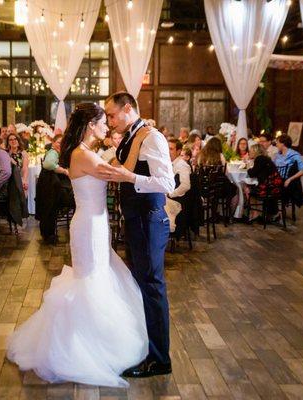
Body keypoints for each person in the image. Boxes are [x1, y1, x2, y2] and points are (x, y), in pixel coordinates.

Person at [7, 103, 148, 388]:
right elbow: (120, 172)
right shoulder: (81, 155)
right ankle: (84, 346)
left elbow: (111, 168)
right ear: (90, 125)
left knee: (97, 276)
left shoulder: (85, 153)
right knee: (90, 280)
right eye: (102, 121)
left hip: (94, 224)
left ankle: (92, 337)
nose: (107, 126)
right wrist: (139, 139)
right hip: (88, 227)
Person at [99, 91, 174, 378]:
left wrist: (129, 178)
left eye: (112, 115)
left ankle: (159, 359)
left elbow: (166, 182)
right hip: (136, 221)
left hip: (150, 221)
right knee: (141, 285)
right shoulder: (131, 135)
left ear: (128, 108)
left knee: (152, 287)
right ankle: (146, 348)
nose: (109, 121)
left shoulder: (151, 137)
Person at [35, 134, 71, 244]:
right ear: (53, 143)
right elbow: (48, 164)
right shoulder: (52, 153)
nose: (60, 145)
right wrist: (65, 171)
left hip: (50, 186)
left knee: (50, 210)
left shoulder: (57, 153)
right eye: (58, 142)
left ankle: (49, 235)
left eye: (62, 143)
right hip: (48, 186)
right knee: (49, 209)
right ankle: (48, 235)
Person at [246, 143, 283, 221]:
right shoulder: (265, 158)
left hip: (269, 187)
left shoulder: (259, 159)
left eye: (251, 151)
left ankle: (255, 213)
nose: (249, 152)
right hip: (275, 185)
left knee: (248, 189)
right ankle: (268, 213)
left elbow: (252, 174)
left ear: (256, 151)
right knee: (251, 187)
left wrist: (248, 167)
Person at [275, 134, 303, 207]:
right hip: (277, 179)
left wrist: (289, 179)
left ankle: (277, 213)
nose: (276, 145)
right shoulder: (277, 155)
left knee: (270, 188)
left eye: (277, 142)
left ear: (283, 144)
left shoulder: (294, 155)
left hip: (287, 181)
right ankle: (273, 212)